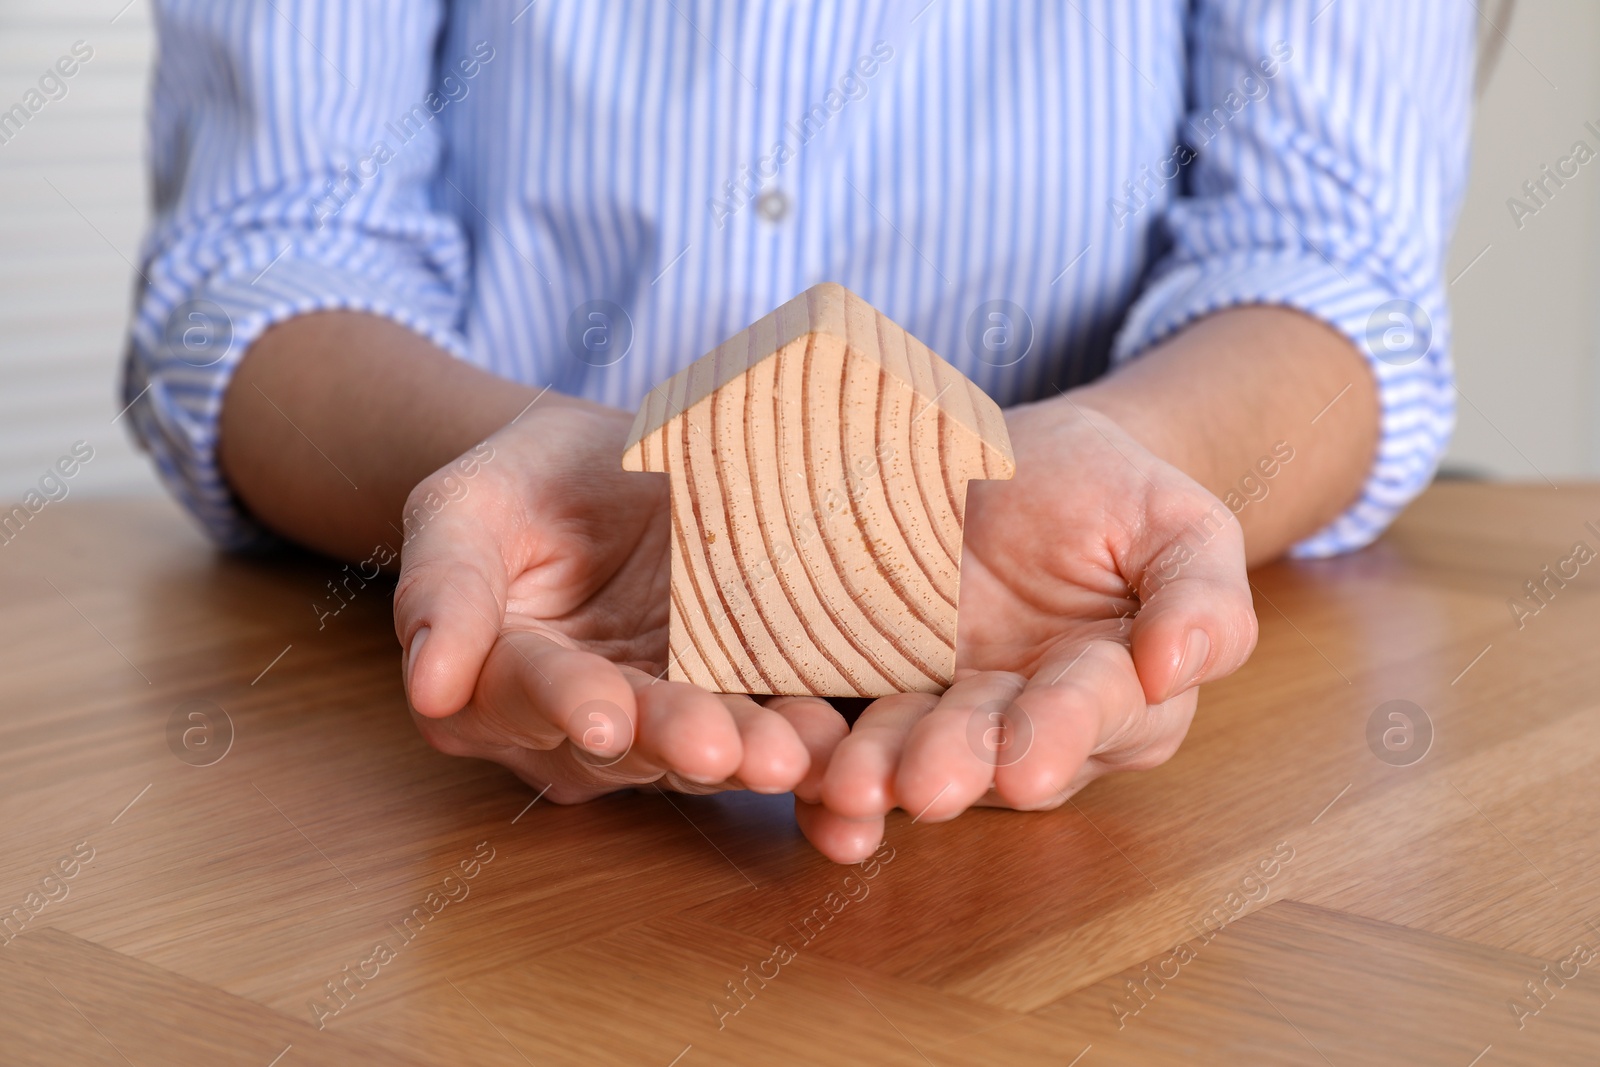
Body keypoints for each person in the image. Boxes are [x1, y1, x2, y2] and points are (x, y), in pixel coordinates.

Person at [123, 1, 1474, 863]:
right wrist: (508, 468)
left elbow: (1331, 261)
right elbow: (267, 248)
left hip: (1086, 824)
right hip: (459, 789)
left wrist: (1139, 452)